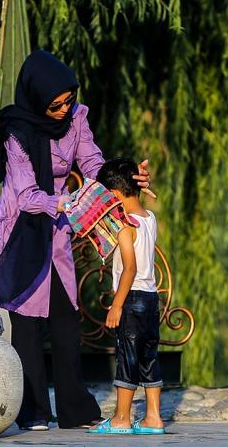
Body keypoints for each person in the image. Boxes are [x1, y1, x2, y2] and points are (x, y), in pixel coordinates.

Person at [0, 49, 153, 430]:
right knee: (25, 320)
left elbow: (92, 164)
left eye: (67, 101)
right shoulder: (16, 132)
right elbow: (26, 195)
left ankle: (75, 408)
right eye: (55, 104)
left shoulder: (76, 119)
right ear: (37, 99)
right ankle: (34, 411)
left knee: (65, 316)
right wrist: (68, 201)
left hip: (57, 225)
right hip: (22, 228)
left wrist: (123, 177)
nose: (62, 109)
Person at [89, 157, 164, 435]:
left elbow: (129, 268)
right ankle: (153, 418)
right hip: (151, 298)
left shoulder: (124, 226)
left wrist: (116, 306)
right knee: (149, 356)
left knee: (127, 357)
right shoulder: (149, 218)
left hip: (131, 299)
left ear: (115, 195)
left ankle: (121, 417)